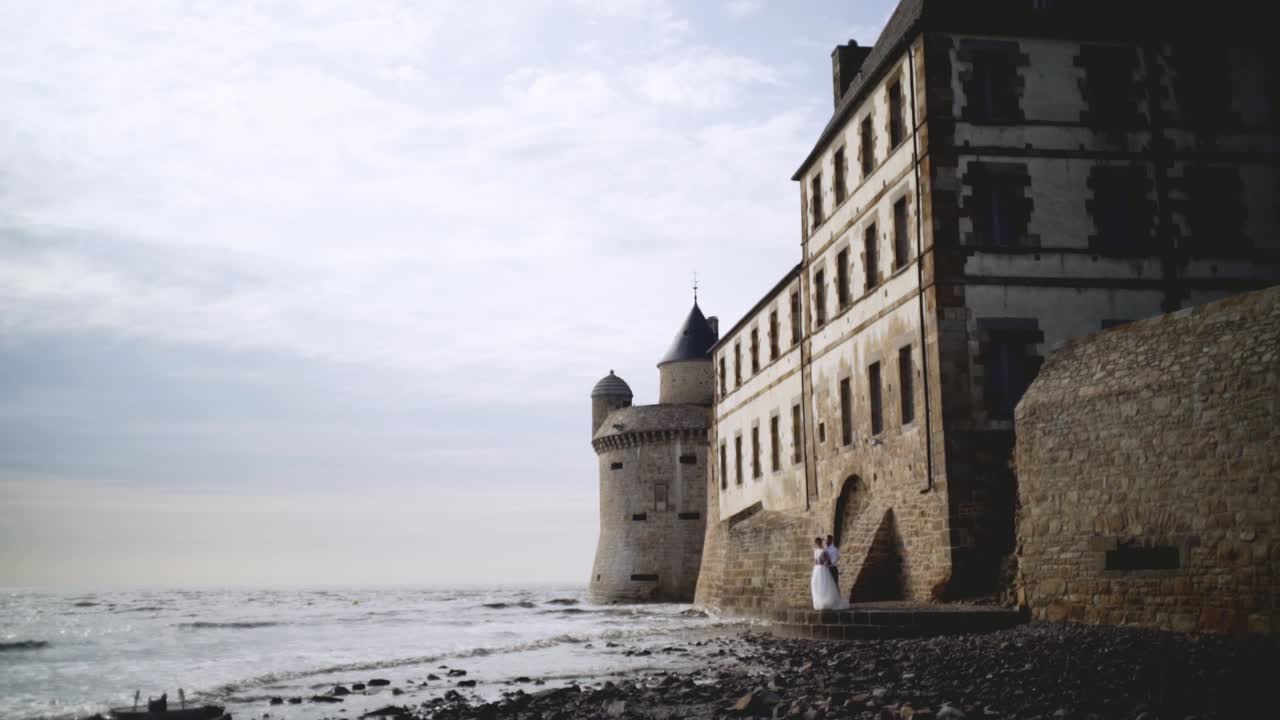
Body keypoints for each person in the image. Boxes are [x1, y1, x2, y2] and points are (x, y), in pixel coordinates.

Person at [810, 537, 847, 610]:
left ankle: (822, 602)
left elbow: (819, 561)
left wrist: (824, 562)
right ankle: (822, 601)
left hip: (818, 569)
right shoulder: (821, 551)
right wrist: (825, 562)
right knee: (821, 585)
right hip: (820, 569)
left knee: (821, 585)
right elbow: (827, 561)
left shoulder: (819, 551)